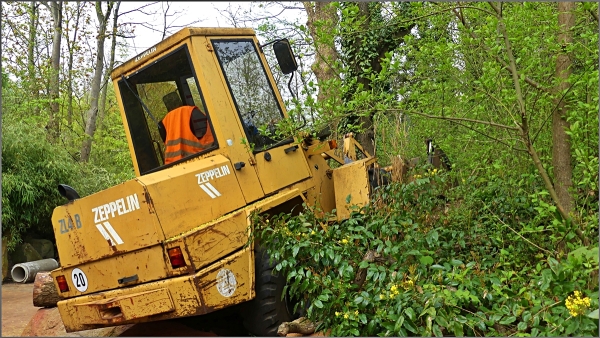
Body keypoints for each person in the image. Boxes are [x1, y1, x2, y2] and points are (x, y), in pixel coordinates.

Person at [159, 91, 215, 164]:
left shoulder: (163, 123)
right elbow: (209, 132)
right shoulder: (191, 111)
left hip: (173, 166)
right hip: (200, 158)